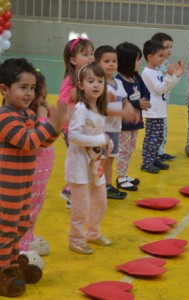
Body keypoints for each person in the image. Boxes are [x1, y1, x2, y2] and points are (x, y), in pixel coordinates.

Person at [0, 58, 72, 297]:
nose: (29, 93)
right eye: (23, 87)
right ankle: (3, 272)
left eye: (32, 88)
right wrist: (51, 122)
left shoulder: (26, 115)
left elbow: (41, 142)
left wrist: (57, 124)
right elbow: (28, 140)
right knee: (6, 230)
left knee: (19, 227)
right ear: (4, 89)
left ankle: (12, 266)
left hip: (22, 187)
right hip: (6, 189)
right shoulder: (5, 118)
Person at [65, 62, 114, 255]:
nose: (96, 85)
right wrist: (100, 139)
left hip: (95, 165)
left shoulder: (99, 108)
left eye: (100, 81)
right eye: (91, 81)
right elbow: (73, 136)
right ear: (81, 85)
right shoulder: (80, 108)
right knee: (81, 207)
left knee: (101, 201)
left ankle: (93, 232)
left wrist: (104, 143)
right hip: (79, 167)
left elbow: (96, 134)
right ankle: (76, 239)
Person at [19, 71, 54, 264]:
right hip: (30, 174)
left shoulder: (37, 115)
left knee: (35, 208)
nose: (42, 100)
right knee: (27, 211)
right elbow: (39, 139)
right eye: (41, 96)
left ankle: (28, 239)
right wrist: (42, 116)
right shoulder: (27, 117)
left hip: (41, 177)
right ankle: (21, 249)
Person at [94, 45, 139, 198]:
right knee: (99, 160)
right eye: (107, 61)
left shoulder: (118, 83)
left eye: (114, 61)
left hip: (115, 129)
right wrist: (122, 112)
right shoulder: (98, 84)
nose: (112, 64)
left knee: (110, 159)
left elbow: (125, 100)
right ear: (97, 63)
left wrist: (131, 110)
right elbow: (101, 109)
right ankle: (96, 187)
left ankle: (107, 186)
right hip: (101, 131)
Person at [58, 37, 95, 208]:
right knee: (79, 160)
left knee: (87, 159)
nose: (90, 58)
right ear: (73, 60)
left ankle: (76, 191)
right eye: (85, 54)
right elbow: (62, 103)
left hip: (85, 126)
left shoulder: (87, 77)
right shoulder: (71, 81)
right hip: (73, 128)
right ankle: (70, 191)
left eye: (92, 54)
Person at [141, 39, 184, 173]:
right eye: (160, 56)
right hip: (153, 111)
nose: (162, 58)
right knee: (151, 137)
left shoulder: (157, 71)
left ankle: (154, 159)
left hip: (160, 110)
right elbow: (160, 89)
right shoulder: (147, 73)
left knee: (159, 136)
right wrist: (170, 75)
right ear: (150, 57)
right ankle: (147, 162)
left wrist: (176, 76)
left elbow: (166, 87)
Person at [115, 42, 151, 191]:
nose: (140, 62)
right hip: (124, 124)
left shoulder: (136, 77)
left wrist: (144, 100)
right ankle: (121, 178)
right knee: (123, 150)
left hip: (136, 122)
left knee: (130, 149)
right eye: (137, 59)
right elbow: (122, 102)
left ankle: (124, 174)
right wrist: (138, 104)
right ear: (127, 62)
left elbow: (146, 92)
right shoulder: (118, 80)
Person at [151, 32, 176, 162]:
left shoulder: (166, 63)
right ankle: (154, 154)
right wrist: (169, 74)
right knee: (157, 130)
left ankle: (160, 151)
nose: (169, 50)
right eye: (166, 47)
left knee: (163, 129)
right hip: (156, 104)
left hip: (164, 103)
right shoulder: (155, 67)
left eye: (170, 47)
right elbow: (160, 84)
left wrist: (175, 75)